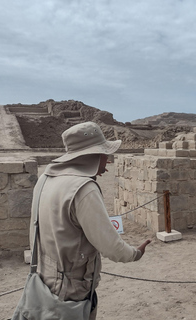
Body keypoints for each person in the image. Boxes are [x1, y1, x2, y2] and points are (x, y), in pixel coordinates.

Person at [29, 122, 151, 319]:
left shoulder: (44, 179)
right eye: (104, 154)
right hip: (71, 291)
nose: (108, 160)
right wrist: (135, 253)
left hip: (43, 281)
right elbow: (111, 246)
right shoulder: (84, 188)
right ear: (92, 155)